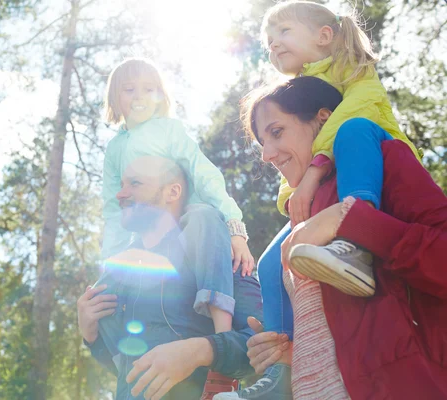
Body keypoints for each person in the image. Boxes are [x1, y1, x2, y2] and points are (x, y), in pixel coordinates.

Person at [217, 76, 447, 399]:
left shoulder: (384, 159)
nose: (267, 154)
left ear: (323, 119)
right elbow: (346, 338)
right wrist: (292, 355)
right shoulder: (301, 214)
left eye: (277, 132)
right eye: (261, 143)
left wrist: (350, 220)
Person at [242, 0, 422, 395]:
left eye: (283, 33)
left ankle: (356, 238)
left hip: (369, 157)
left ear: (325, 36)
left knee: (354, 129)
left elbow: (348, 117)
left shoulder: (353, 72)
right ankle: (279, 363)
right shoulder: (298, 88)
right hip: (327, 179)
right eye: (268, 42)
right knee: (273, 262)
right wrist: (298, 192)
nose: (273, 46)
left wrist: (314, 170)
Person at [79, 156, 263, 399]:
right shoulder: (119, 274)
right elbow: (126, 370)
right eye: (122, 185)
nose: (121, 194)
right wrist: (91, 337)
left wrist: (201, 350)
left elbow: (263, 341)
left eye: (135, 184)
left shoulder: (225, 256)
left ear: (172, 192)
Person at [101, 58, 254, 276]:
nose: (139, 96)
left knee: (229, 277)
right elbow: (114, 207)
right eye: (129, 89)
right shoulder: (114, 149)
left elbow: (201, 172)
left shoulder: (167, 131)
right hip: (150, 237)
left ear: (159, 97)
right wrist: (111, 260)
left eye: (149, 89)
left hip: (190, 225)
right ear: (114, 99)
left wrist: (233, 225)